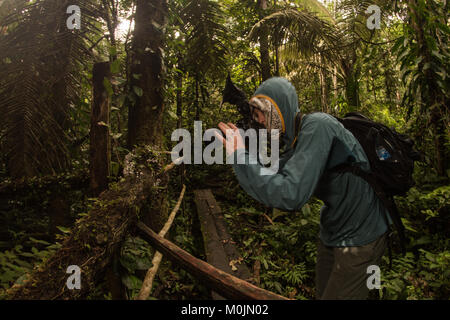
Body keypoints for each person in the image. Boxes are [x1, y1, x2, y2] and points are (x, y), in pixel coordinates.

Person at [216, 77, 388, 300]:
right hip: (334, 229)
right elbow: (273, 178)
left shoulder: (317, 125)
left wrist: (240, 156)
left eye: (261, 114)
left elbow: (291, 194)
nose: (258, 122)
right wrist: (244, 154)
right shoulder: (294, 143)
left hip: (361, 234)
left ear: (278, 109)